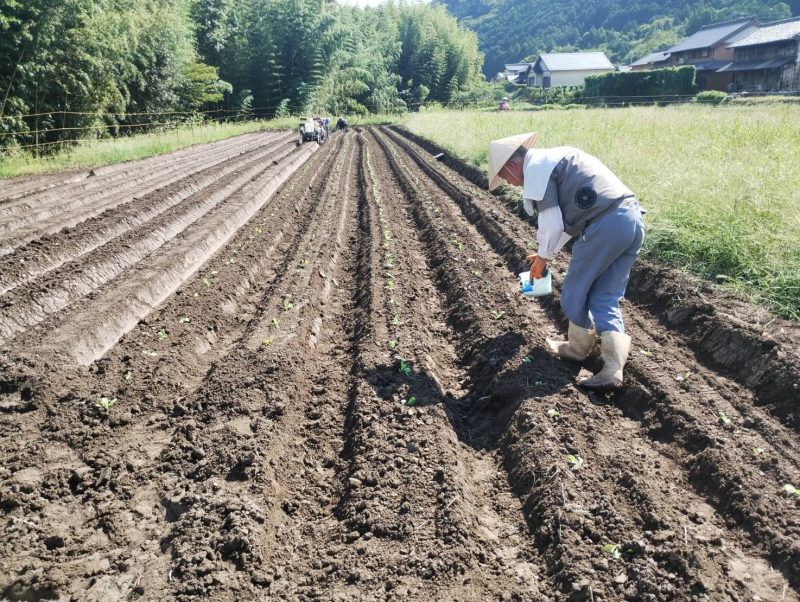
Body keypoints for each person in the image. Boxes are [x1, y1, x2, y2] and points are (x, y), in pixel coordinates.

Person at [487, 132, 645, 389]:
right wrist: (543, 255)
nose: (512, 184)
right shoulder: (556, 157)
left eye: (506, 177)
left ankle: (577, 349)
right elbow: (565, 226)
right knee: (604, 296)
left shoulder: (537, 170)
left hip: (602, 227)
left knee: (574, 292)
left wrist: (542, 260)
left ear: (512, 166)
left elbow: (550, 224)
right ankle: (613, 370)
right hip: (630, 220)